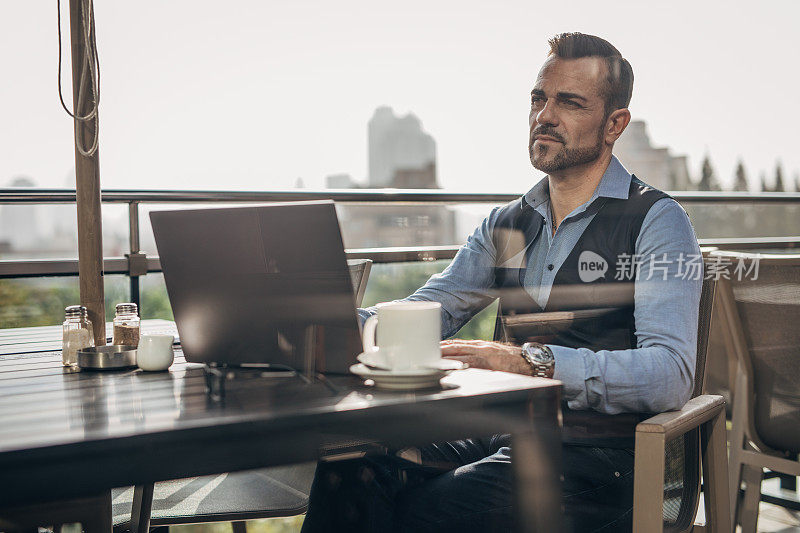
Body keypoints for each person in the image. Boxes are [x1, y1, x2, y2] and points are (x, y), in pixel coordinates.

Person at [301, 32, 702, 533]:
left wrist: (531, 363)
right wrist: (313, 318)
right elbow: (433, 308)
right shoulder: (509, 226)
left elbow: (670, 373)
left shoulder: (657, 221)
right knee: (352, 467)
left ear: (613, 124)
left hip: (602, 457)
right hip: (500, 434)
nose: (545, 116)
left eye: (570, 103)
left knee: (425, 514)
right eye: (540, 98)